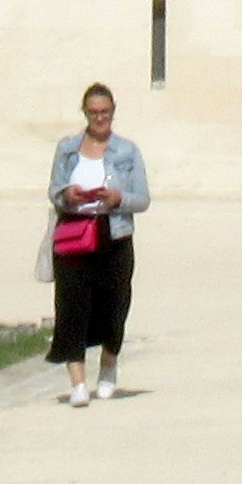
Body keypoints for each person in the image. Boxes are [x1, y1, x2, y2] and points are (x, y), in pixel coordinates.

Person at [46, 83, 149, 400]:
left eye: (105, 112)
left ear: (113, 111)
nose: (99, 118)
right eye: (93, 113)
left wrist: (119, 198)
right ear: (85, 113)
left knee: (114, 306)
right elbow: (53, 190)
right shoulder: (67, 149)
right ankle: (78, 383)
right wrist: (67, 194)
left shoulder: (127, 151)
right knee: (71, 306)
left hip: (113, 234)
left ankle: (108, 365)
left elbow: (142, 199)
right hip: (74, 233)